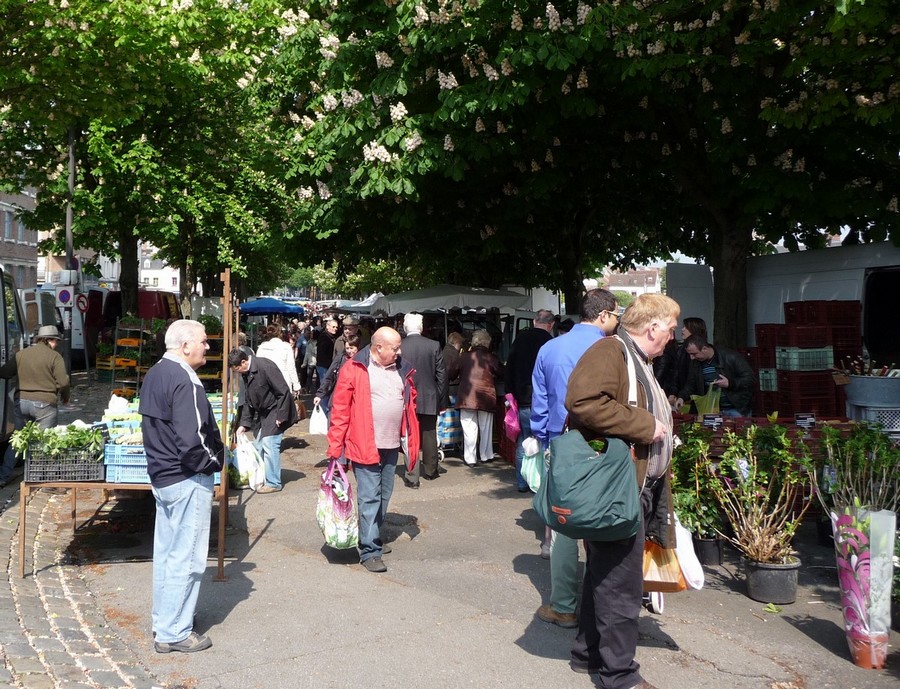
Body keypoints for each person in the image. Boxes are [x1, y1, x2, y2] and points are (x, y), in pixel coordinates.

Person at [564, 293, 679, 688]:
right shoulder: (612, 351)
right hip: (618, 490)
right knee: (621, 583)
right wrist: (645, 426)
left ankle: (588, 654)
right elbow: (581, 401)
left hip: (631, 487)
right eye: (670, 329)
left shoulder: (635, 358)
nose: (672, 337)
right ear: (652, 328)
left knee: (606, 573)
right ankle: (620, 675)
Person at [530, 289, 619, 628]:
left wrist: (542, 437)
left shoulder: (550, 347)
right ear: (604, 314)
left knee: (564, 524)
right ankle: (606, 603)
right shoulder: (615, 349)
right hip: (608, 444)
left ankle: (564, 605)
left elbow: (540, 400)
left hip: (561, 441)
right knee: (610, 518)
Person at [139, 319, 224, 654]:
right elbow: (192, 440)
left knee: (168, 555)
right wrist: (214, 462)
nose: (207, 346)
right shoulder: (182, 378)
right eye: (204, 341)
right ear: (185, 344)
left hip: (164, 476)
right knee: (186, 559)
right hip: (185, 477)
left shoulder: (157, 372)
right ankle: (174, 631)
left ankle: (166, 621)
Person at [326, 327, 419, 573]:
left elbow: (409, 403)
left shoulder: (401, 368)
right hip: (363, 444)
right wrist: (335, 449)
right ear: (379, 348)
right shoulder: (354, 369)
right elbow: (340, 410)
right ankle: (370, 551)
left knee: (384, 495)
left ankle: (371, 535)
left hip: (390, 446)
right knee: (369, 498)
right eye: (395, 348)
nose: (399, 352)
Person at [0, 325, 71, 487]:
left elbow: (4, 373)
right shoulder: (54, 357)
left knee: (17, 439)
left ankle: (3, 475)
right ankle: (43, 479)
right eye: (56, 341)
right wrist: (65, 396)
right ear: (50, 341)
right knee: (45, 441)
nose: (57, 344)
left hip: (21, 402)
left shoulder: (21, 354)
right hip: (44, 404)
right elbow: (64, 381)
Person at [228, 347, 298, 493]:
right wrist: (244, 424)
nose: (237, 372)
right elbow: (248, 399)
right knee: (258, 445)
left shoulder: (265, 366)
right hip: (264, 412)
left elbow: (283, 390)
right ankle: (259, 476)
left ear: (243, 362)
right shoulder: (246, 372)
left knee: (270, 442)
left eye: (237, 369)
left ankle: (273, 483)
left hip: (276, 409)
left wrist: (281, 415)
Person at [504, 309, 554, 491]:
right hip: (544, 400)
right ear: (551, 324)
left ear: (534, 322)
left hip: (523, 399)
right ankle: (543, 483)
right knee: (546, 441)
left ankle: (522, 482)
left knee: (523, 441)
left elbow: (509, 368)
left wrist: (510, 395)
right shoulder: (550, 343)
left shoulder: (519, 340)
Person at [399, 313, 446, 487]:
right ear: (421, 327)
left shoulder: (400, 346)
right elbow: (442, 375)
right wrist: (442, 400)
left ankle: (412, 475)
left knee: (410, 435)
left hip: (407, 396)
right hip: (429, 395)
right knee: (429, 434)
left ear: (405, 328)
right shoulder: (433, 345)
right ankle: (431, 470)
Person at [455, 329, 503, 467]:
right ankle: (486, 455)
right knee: (486, 427)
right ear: (487, 343)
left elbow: (452, 372)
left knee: (469, 428)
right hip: (486, 396)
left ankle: (470, 458)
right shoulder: (491, 357)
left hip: (467, 396)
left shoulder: (464, 356)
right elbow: (501, 372)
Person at [675, 335, 755, 417]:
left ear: (705, 349)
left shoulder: (730, 356)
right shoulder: (696, 362)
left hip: (736, 408)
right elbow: (691, 384)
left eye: (694, 354)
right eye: (690, 354)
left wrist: (730, 383)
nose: (692, 357)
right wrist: (682, 397)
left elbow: (750, 379)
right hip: (712, 409)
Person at [653, 317, 707, 399]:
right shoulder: (680, 351)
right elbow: (676, 374)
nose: (682, 330)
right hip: (684, 395)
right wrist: (674, 393)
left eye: (686, 327)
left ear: (694, 329)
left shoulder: (705, 350)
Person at [314, 334, 360, 406]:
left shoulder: (362, 361)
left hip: (355, 397)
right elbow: (329, 376)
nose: (349, 351)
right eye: (347, 348)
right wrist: (319, 394)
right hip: (339, 395)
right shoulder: (340, 359)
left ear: (357, 347)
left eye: (351, 348)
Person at [256, 324, 301, 395]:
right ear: (280, 333)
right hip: (283, 382)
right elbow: (291, 367)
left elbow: (258, 367)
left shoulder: (261, 347)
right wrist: (296, 385)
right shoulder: (286, 347)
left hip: (266, 383)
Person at [316, 319, 339, 409]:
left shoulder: (331, 337)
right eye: (333, 327)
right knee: (325, 387)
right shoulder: (324, 337)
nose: (335, 329)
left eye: (336, 327)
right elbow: (323, 354)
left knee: (327, 387)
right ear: (327, 327)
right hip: (324, 366)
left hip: (327, 366)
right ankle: (324, 408)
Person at [302, 329, 318, 393]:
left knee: (318, 378)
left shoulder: (317, 342)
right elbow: (307, 353)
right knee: (309, 377)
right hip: (310, 363)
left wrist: (313, 349)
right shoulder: (309, 342)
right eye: (310, 333)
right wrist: (304, 363)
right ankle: (307, 389)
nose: (311, 335)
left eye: (312, 334)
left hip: (317, 362)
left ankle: (318, 390)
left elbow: (316, 352)